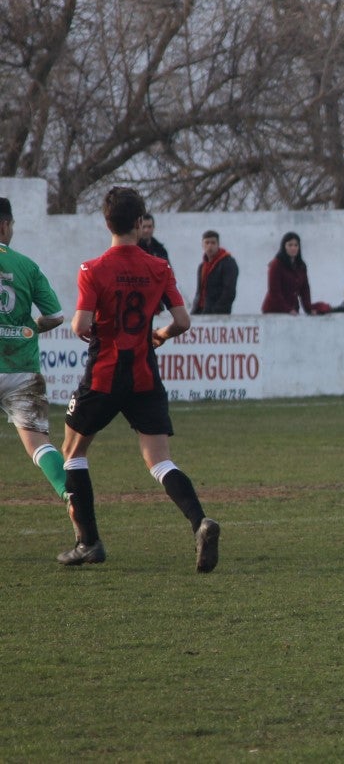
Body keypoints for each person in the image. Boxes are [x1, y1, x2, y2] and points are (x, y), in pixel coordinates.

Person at [58, 186, 220, 571]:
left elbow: (80, 325)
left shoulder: (93, 269)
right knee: (159, 460)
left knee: (73, 452)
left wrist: (94, 327)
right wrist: (159, 334)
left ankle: (88, 543)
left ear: (107, 223)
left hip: (104, 374)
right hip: (144, 374)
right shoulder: (158, 267)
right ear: (139, 222)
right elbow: (182, 321)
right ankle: (200, 521)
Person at [0, 197, 74, 510]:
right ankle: (71, 495)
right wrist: (27, 327)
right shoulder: (27, 266)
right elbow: (55, 316)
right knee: (38, 444)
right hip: (21, 368)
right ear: (4, 225)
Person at [261, 231, 314, 314]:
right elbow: (274, 291)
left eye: (296, 245)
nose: (293, 248)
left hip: (293, 310)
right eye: (290, 245)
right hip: (274, 311)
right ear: (284, 246)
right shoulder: (276, 264)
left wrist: (309, 309)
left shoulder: (301, 266)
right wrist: (287, 309)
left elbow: (305, 290)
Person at [191, 230, 238, 314]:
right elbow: (199, 292)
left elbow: (229, 291)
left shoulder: (228, 263)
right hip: (200, 311)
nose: (210, 246)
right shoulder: (202, 266)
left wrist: (217, 310)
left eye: (213, 243)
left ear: (218, 245)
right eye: (207, 243)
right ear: (202, 245)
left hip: (218, 313)